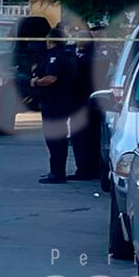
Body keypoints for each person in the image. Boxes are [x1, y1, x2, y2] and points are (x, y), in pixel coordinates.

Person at [31, 25, 77, 184]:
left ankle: (57, 173)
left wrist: (35, 82)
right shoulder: (67, 55)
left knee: (55, 139)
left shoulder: (55, 57)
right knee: (57, 139)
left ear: (51, 40)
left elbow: (51, 78)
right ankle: (56, 171)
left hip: (55, 103)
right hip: (61, 102)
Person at [69, 26, 103, 181]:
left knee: (80, 139)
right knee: (94, 137)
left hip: (80, 102)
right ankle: (94, 168)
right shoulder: (100, 57)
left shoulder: (80, 60)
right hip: (96, 102)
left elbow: (74, 81)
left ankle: (83, 170)